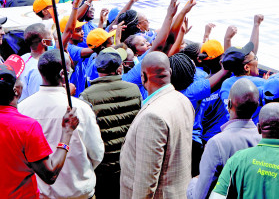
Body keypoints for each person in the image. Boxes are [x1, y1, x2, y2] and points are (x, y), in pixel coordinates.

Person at [0, 64, 80, 198]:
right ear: (16, 90)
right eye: (18, 79)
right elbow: (50, 175)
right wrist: (67, 132)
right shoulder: (27, 126)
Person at [19, 50, 105, 199]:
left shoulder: (22, 108)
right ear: (63, 74)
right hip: (77, 191)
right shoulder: (81, 108)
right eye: (69, 68)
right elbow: (96, 153)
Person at [119, 51, 194, 199]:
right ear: (170, 72)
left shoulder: (152, 116)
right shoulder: (183, 100)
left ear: (143, 77)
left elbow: (146, 182)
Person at [80, 50, 142, 198]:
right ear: (119, 68)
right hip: (129, 161)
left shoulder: (87, 95)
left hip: (103, 164)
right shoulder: (134, 90)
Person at [193, 77, 262, 199]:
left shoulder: (217, 143)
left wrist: (193, 183)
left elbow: (199, 195)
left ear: (229, 104)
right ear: (256, 106)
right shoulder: (263, 140)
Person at [18, 23, 52, 102]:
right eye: (49, 35)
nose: (51, 38)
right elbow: (38, 99)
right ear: (44, 42)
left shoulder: (23, 58)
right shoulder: (38, 69)